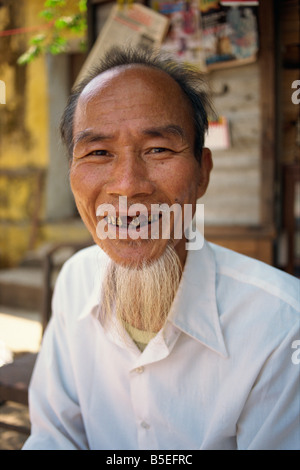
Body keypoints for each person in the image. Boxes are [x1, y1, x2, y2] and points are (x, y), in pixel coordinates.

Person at [23, 46, 299, 450]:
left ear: (202, 173)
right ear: (71, 176)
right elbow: (54, 437)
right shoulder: (76, 279)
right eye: (98, 153)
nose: (128, 185)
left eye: (158, 149)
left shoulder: (281, 324)